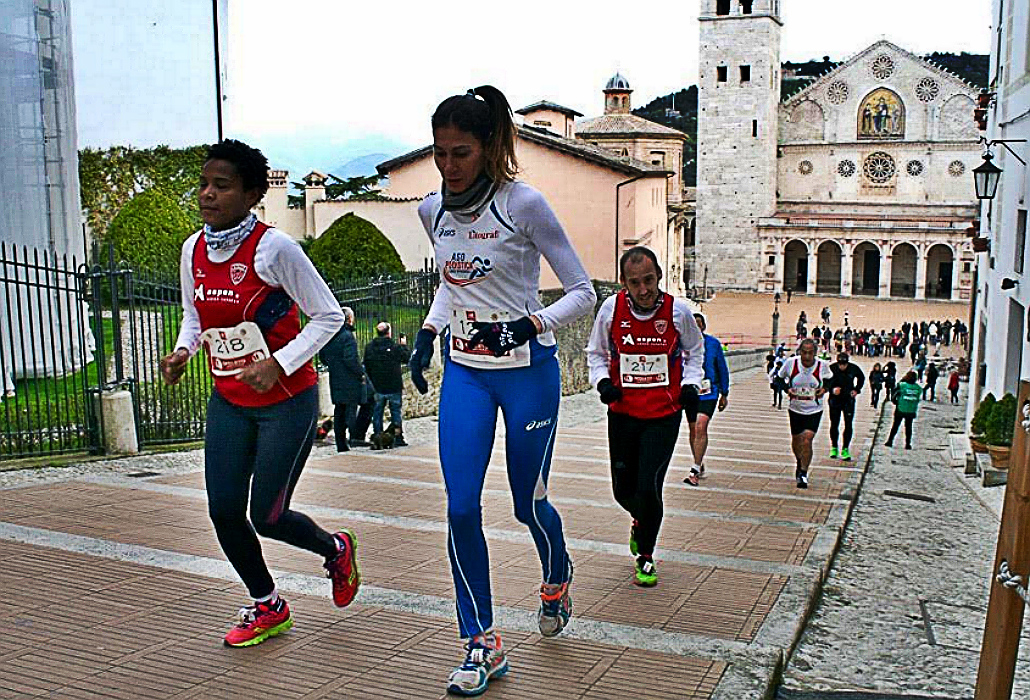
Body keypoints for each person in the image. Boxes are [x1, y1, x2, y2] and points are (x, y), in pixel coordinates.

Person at [406, 86, 596, 696]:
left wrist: (532, 321)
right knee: (460, 506)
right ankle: (480, 641)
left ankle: (556, 566)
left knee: (525, 503)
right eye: (439, 153)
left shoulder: (526, 205)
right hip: (466, 375)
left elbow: (583, 291)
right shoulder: (432, 210)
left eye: (460, 153)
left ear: (488, 148)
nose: (447, 166)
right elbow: (452, 284)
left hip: (527, 377)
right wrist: (429, 332)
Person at [159, 139, 359, 648]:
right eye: (203, 184)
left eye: (221, 187)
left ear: (251, 194)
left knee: (266, 517)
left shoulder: (276, 249)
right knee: (224, 512)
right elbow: (194, 316)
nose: (207, 195)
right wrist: (183, 351)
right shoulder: (193, 249)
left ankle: (334, 549)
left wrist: (280, 363)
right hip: (229, 400)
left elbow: (329, 316)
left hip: (286, 402)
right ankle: (268, 604)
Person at [586, 247, 703, 586]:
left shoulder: (677, 312)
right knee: (623, 490)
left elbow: (695, 352)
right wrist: (603, 382)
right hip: (623, 412)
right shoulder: (611, 310)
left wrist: (691, 385)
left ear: (659, 277)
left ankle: (646, 556)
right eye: (635, 283)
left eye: (649, 280)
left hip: (663, 414)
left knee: (649, 485)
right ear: (624, 283)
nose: (643, 289)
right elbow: (596, 353)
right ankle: (640, 522)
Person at [777, 338, 831, 489]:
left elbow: (830, 380)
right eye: (804, 353)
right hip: (795, 408)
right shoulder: (791, 363)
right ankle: (800, 461)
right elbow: (779, 379)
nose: (807, 357)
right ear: (800, 352)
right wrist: (786, 389)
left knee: (807, 439)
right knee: (797, 441)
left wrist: (824, 389)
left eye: (810, 353)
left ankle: (803, 473)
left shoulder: (822, 366)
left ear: (815, 353)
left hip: (814, 409)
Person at [683, 312, 728, 486]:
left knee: (701, 426)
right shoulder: (682, 344)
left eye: (698, 324)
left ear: (703, 326)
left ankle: (694, 469)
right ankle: (698, 460)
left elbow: (721, 368)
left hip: (709, 391)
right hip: (691, 392)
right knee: (694, 430)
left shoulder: (713, 344)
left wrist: (725, 392)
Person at [320, 307, 372, 452]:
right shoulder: (347, 336)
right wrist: (360, 372)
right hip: (350, 379)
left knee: (339, 411)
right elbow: (351, 358)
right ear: (349, 319)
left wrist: (334, 365)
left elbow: (323, 357)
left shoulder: (330, 335)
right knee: (353, 409)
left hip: (336, 378)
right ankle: (355, 436)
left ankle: (341, 443)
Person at [363, 321, 411, 447]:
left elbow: (366, 365)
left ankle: (378, 437)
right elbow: (406, 358)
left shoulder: (370, 348)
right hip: (394, 385)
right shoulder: (395, 347)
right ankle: (398, 437)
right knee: (395, 412)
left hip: (377, 385)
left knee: (377, 413)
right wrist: (404, 345)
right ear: (389, 333)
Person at [826, 352, 865, 461]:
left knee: (848, 424)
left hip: (848, 400)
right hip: (835, 400)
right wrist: (832, 389)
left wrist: (857, 390)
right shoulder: (832, 368)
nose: (842, 366)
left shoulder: (853, 368)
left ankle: (845, 449)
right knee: (834, 424)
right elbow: (825, 381)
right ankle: (834, 447)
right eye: (840, 364)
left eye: (844, 364)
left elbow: (861, 377)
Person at [885, 370, 922, 449]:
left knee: (895, 426)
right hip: (911, 410)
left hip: (901, 408)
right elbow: (918, 398)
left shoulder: (902, 385)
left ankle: (890, 441)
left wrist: (895, 402)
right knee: (908, 427)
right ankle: (908, 444)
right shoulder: (918, 388)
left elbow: (894, 394)